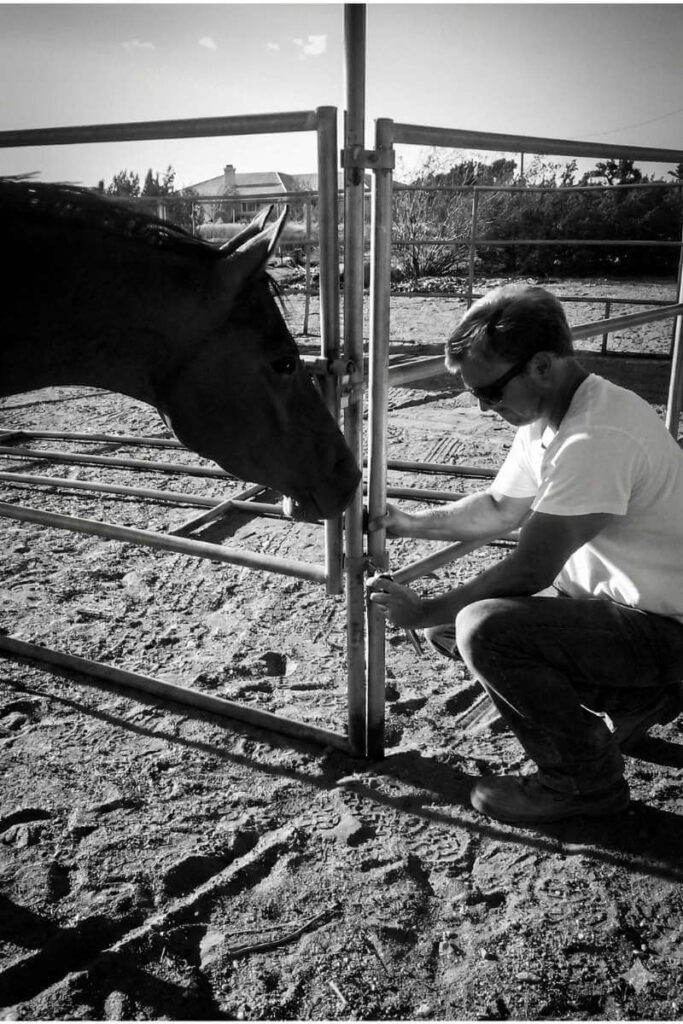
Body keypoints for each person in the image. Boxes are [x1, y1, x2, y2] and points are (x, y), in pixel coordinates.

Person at [367, 283, 683, 825]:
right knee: (455, 624)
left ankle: (583, 784)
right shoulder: (554, 413)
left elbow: (530, 567)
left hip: (664, 626)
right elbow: (497, 507)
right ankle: (637, 699)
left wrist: (421, 611)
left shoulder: (595, 438)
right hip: (627, 607)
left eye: (489, 392)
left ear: (541, 364)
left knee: (483, 628)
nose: (485, 407)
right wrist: (406, 523)